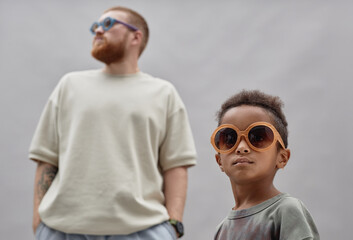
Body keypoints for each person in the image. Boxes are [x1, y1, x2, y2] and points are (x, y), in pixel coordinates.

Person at [29, 6, 196, 240]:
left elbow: (176, 165)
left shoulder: (163, 93)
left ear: (136, 36)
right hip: (61, 230)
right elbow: (47, 157)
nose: (98, 30)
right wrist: (39, 220)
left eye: (107, 24)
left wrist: (173, 225)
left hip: (142, 231)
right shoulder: (69, 86)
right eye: (95, 26)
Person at [211, 90, 319, 239]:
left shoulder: (286, 211)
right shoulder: (222, 230)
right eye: (229, 139)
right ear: (219, 161)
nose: (241, 147)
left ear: (282, 157)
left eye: (258, 137)